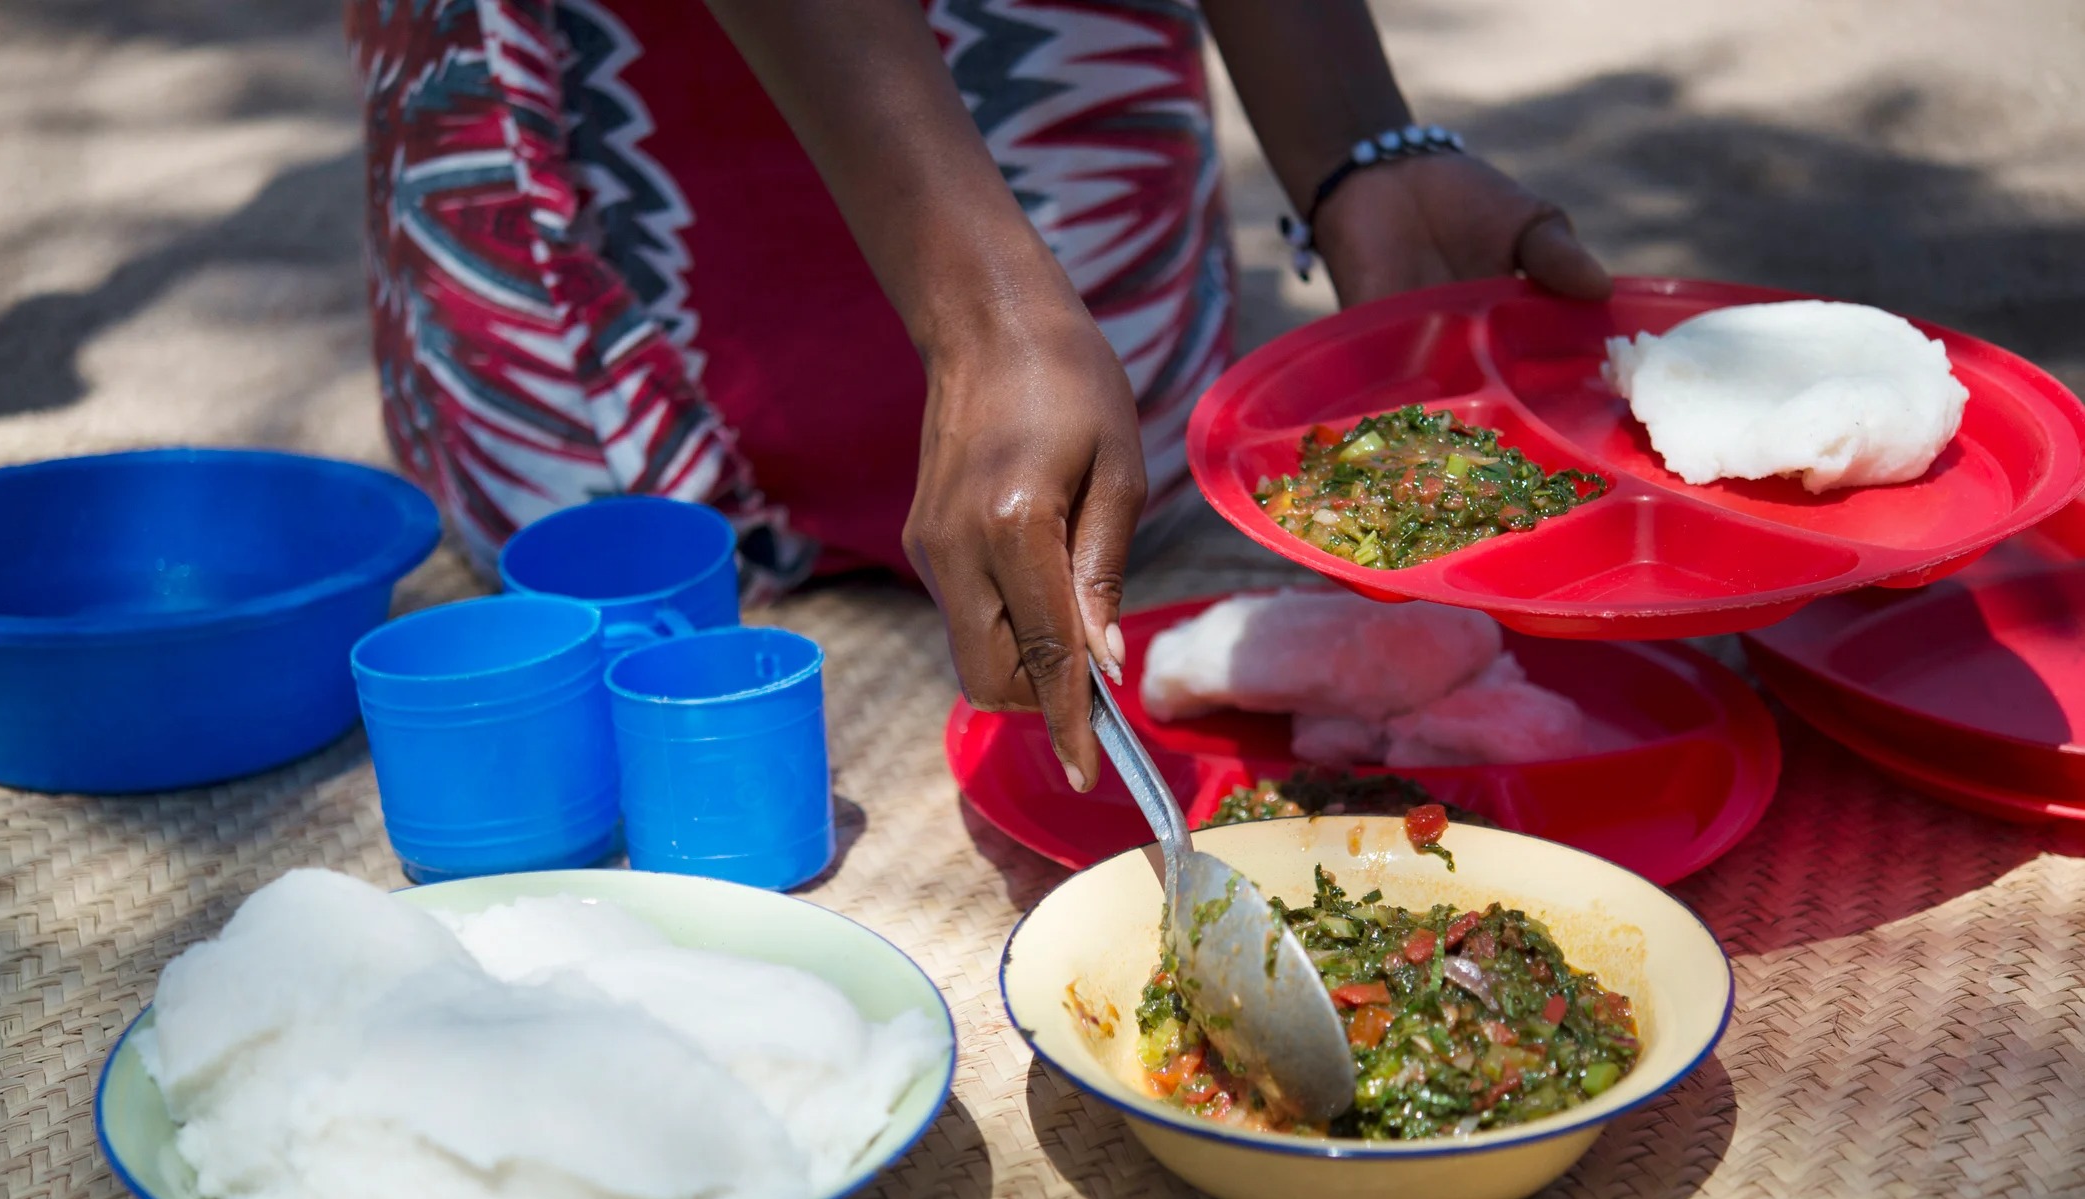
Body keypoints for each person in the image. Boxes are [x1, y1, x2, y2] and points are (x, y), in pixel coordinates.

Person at [347, 0, 1607, 793]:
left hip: (1045, 83)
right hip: (617, 157)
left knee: (1129, 467)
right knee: (577, 540)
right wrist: (982, 308)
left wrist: (1352, 146)